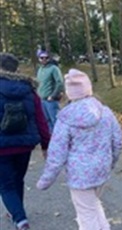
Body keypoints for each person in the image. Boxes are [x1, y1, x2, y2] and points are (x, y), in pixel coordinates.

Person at [36, 69, 122, 230]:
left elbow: (57, 154)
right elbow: (117, 143)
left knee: (86, 215)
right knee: (93, 205)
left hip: (80, 175)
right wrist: (110, 163)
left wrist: (45, 180)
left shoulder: (65, 118)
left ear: (69, 93)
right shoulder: (106, 112)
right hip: (101, 170)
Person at [0, 52, 50, 230]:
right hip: (25, 144)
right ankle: (15, 210)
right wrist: (46, 144)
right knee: (18, 179)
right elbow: (41, 119)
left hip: (1, 147)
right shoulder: (29, 89)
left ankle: (20, 220)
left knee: (5, 185)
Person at [36, 51, 64, 131]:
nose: (44, 59)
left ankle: (60, 139)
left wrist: (53, 95)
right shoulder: (40, 69)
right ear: (39, 59)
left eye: (46, 57)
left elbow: (59, 83)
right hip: (42, 99)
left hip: (51, 100)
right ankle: (51, 140)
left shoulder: (54, 68)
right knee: (46, 121)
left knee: (55, 121)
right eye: (42, 58)